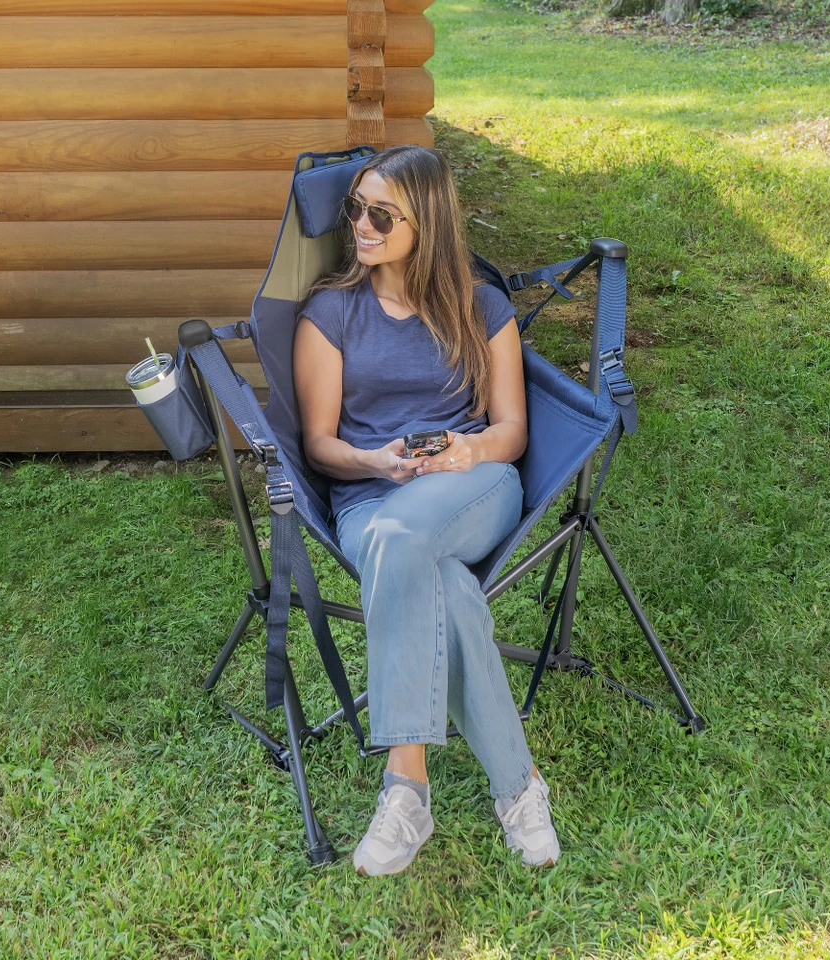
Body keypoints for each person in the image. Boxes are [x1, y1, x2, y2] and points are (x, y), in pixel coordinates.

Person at [293, 145, 560, 876]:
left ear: (428, 221)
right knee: (440, 580)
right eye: (355, 209)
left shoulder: (482, 307)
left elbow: (512, 431)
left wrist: (466, 453)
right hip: (372, 494)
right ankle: (519, 787)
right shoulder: (331, 312)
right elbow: (319, 444)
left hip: (474, 486)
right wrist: (377, 461)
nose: (362, 225)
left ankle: (405, 786)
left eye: (382, 214)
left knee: (405, 535)